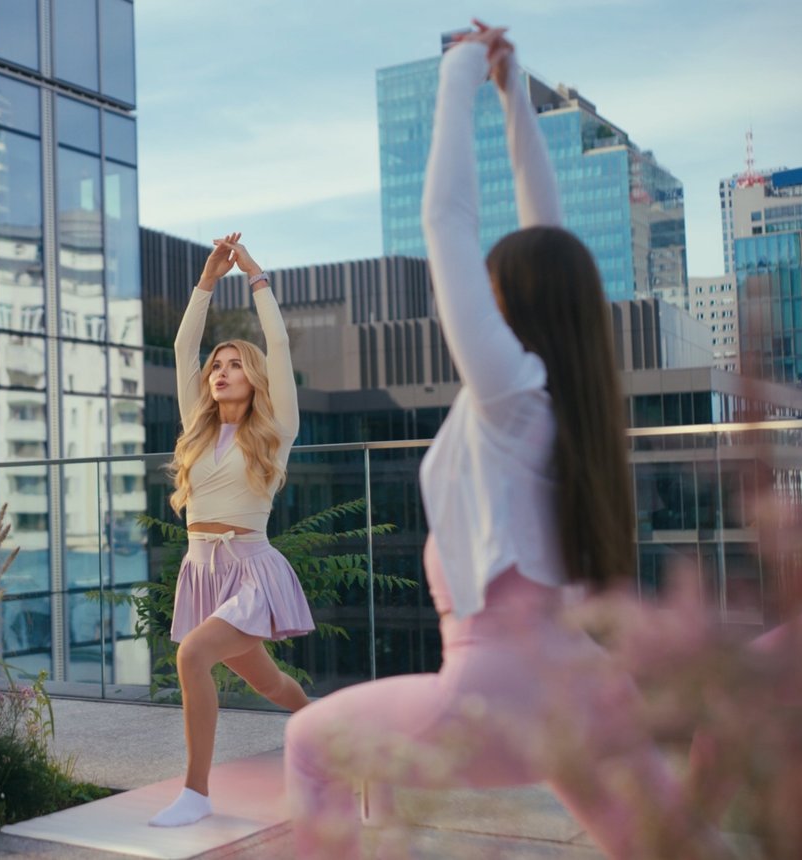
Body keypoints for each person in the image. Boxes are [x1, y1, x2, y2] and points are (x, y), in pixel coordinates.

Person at [284, 23, 726, 859]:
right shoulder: (561, 398)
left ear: (512, 303)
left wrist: (458, 69)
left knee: (311, 746)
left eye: (489, 290)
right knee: (675, 846)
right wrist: (511, 86)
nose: (475, 302)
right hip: (584, 689)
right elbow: (546, 232)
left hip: (496, 693)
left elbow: (446, 220)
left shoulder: (510, 397)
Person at [150, 233, 314, 828]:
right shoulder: (197, 428)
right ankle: (333, 739)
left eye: (234, 363)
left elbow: (278, 342)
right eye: (216, 365)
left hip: (250, 568)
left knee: (193, 655)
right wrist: (205, 283)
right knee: (273, 685)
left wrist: (256, 279)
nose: (220, 371)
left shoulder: (276, 430)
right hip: (203, 569)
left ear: (255, 377)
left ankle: (195, 793)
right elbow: (182, 345)